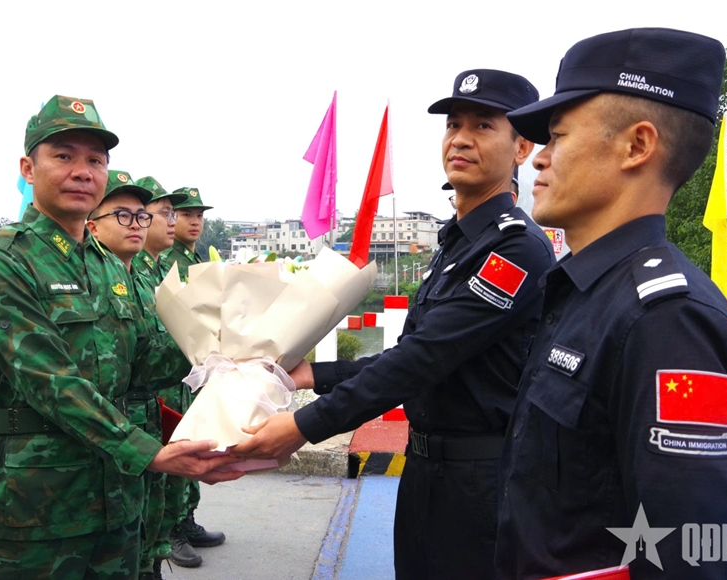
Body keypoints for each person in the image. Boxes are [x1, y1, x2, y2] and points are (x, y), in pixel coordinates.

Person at [233, 69, 555, 579]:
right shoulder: (458, 242)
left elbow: (423, 361)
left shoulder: (513, 247)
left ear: (522, 148)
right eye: (453, 125)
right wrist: (308, 376)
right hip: (428, 469)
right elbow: (413, 349)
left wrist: (301, 425)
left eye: (483, 126)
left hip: (483, 480)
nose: (461, 139)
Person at [495, 28, 727, 579]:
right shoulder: (588, 292)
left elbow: (697, 556)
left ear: (637, 146)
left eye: (558, 136)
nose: (539, 160)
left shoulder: (670, 324)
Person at [0, 95, 242, 580]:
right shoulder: (1, 264)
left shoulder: (109, 265)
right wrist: (148, 452)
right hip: (35, 506)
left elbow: (145, 365)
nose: (82, 171)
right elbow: (49, 380)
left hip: (118, 498)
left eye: (95, 160)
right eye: (64, 156)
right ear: (29, 168)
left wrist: (234, 342)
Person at [87, 170, 197, 579]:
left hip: (149, 414)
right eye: (124, 215)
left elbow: (150, 354)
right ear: (92, 224)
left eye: (141, 216)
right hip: (115, 425)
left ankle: (156, 554)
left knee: (148, 520)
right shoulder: (95, 275)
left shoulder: (141, 273)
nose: (139, 224)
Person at [132, 176, 223, 568]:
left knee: (189, 441)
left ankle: (182, 521)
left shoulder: (181, 260)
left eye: (185, 214)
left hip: (180, 375)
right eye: (172, 213)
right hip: (159, 383)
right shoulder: (148, 265)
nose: (182, 222)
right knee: (172, 453)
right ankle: (169, 531)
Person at [132, 176, 187, 281]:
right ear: (141, 217)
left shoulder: (165, 270)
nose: (173, 223)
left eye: (173, 215)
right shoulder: (129, 271)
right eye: (166, 213)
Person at [160, 187, 214, 281]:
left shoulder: (194, 256)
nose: (195, 222)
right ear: (171, 217)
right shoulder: (165, 260)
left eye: (199, 215)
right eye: (187, 215)